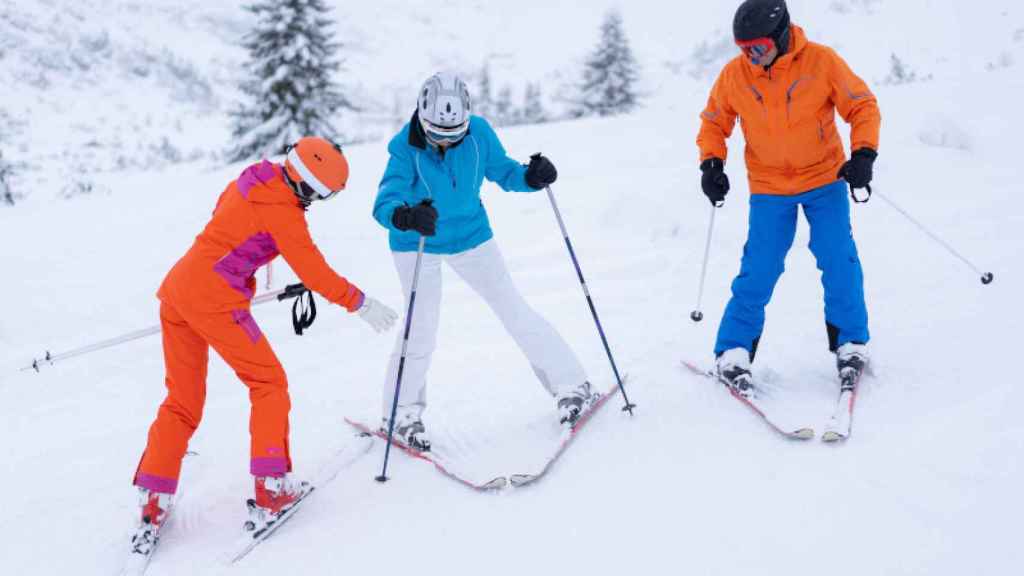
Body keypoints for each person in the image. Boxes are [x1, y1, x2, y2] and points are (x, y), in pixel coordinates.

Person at [131, 137, 398, 537]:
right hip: (216, 304)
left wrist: (245, 266)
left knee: (182, 401)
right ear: (311, 186)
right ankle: (272, 489)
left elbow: (226, 222)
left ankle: (153, 497)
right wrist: (359, 303)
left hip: (177, 291)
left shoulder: (253, 177)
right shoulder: (286, 216)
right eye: (323, 194)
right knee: (269, 384)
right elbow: (315, 272)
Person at [371, 72, 594, 451]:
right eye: (437, 134)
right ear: (422, 118)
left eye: (454, 134)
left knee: (514, 309)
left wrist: (531, 177)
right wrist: (405, 216)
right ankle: (401, 414)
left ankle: (572, 385)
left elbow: (504, 172)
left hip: (472, 235)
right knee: (421, 325)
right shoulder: (403, 148)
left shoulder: (479, 134)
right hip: (417, 240)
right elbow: (384, 201)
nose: (444, 141)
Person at [696, 0, 880, 395]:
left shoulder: (821, 62)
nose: (751, 56)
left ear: (780, 35)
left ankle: (851, 344)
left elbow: (862, 105)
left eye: (758, 47)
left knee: (838, 258)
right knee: (759, 268)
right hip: (769, 187)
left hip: (823, 178)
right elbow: (714, 122)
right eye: (744, 49)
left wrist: (863, 153)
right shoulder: (735, 75)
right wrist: (711, 164)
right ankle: (733, 351)